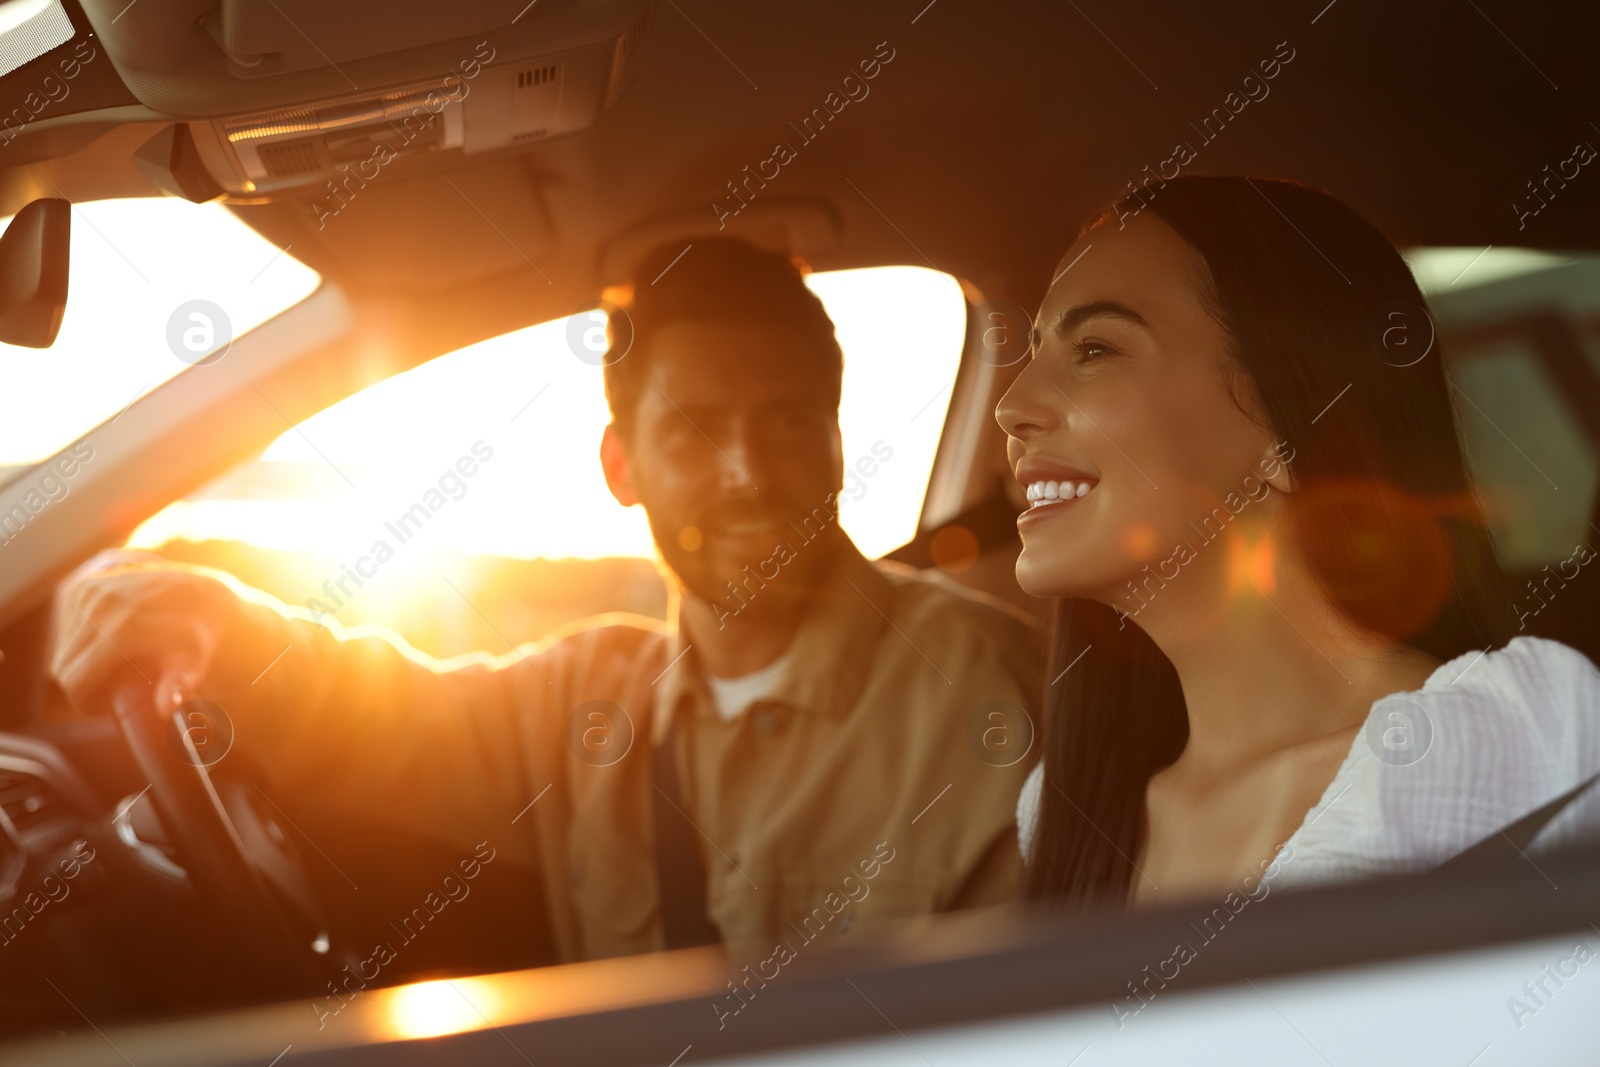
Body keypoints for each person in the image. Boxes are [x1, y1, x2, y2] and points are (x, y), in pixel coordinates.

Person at [52, 238, 1040, 960]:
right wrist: (200, 616)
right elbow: (370, 710)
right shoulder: (582, 702)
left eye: (787, 421)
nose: (746, 471)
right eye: (695, 430)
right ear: (623, 466)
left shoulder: (1000, 690)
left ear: (835, 440)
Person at [1003, 175, 1600, 906]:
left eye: (1095, 348)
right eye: (1033, 351)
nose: (1012, 404)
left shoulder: (1506, 742)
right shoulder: (1066, 811)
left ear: (1289, 428)